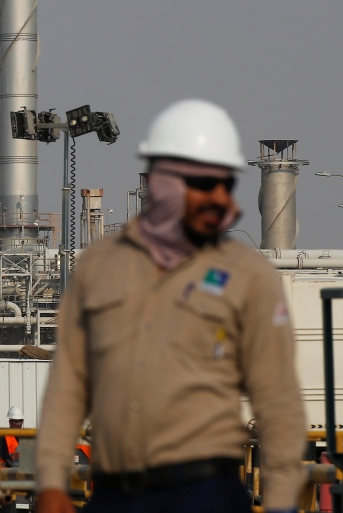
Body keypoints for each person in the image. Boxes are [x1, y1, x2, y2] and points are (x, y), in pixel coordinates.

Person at [35, 100, 306, 513]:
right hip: (114, 495)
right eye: (204, 182)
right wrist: (51, 483)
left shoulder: (248, 276)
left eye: (225, 183)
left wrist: (282, 504)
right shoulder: (99, 267)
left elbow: (278, 400)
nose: (219, 196)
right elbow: (68, 384)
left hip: (204, 495)